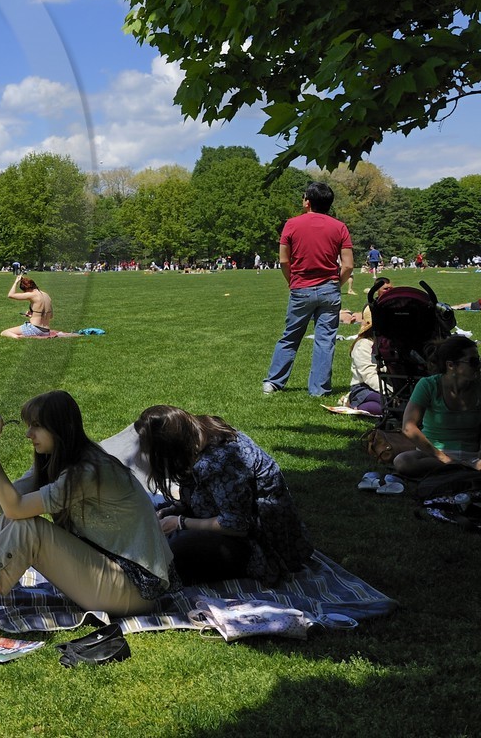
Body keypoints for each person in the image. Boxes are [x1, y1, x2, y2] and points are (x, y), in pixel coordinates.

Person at [0, 391, 176, 633]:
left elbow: (15, 508)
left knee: (28, 529)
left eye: (36, 426)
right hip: (111, 573)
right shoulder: (57, 461)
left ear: (60, 428)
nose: (28, 434)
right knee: (9, 521)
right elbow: (0, 504)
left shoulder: (88, 471)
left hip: (138, 589)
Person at [133, 405, 313, 584]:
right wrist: (172, 511)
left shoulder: (221, 461)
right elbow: (205, 494)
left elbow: (237, 525)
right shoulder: (198, 435)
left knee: (172, 553)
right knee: (148, 510)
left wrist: (179, 522)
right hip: (225, 518)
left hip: (257, 542)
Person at [262, 181, 353, 397]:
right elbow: (348, 265)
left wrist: (291, 281)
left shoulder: (292, 224)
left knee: (291, 336)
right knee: (325, 340)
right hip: (329, 290)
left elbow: (284, 261)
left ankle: (274, 382)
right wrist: (335, 284)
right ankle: (319, 389)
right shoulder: (339, 227)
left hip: (301, 288)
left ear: (307, 202)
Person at [394, 334, 481, 476]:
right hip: (435, 456)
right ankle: (461, 469)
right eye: (473, 361)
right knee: (403, 461)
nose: (478, 366)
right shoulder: (429, 385)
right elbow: (408, 427)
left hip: (472, 456)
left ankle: (460, 468)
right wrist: (443, 458)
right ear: (451, 365)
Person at [0, 275, 76, 339]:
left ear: (26, 289)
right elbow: (51, 316)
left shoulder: (32, 294)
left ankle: (21, 337)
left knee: (5, 332)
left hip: (35, 329)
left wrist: (16, 281)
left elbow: (10, 295)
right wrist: (33, 315)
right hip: (46, 331)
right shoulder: (46, 295)